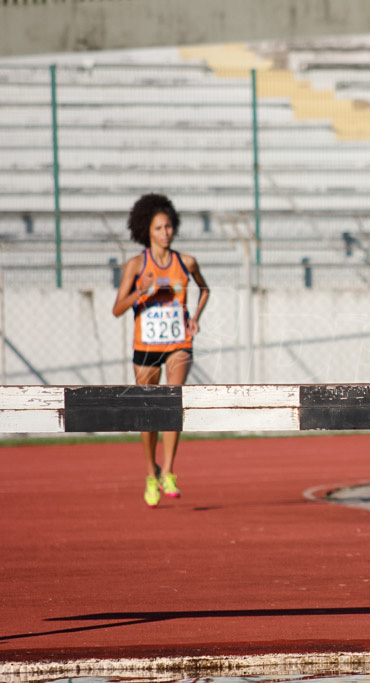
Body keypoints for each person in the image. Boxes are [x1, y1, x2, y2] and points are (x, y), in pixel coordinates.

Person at [112, 193, 210, 508]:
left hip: (178, 343)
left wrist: (195, 317)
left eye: (168, 226)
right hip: (146, 346)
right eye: (158, 228)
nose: (165, 233)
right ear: (146, 231)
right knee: (148, 412)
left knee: (173, 400)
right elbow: (117, 308)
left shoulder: (187, 262)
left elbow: (204, 288)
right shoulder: (136, 265)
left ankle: (168, 470)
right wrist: (141, 291)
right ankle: (150, 473)